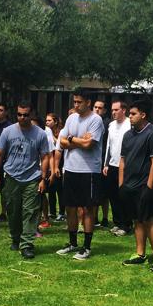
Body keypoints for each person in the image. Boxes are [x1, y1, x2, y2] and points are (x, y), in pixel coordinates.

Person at [0, 101, 50, 259]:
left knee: (30, 211)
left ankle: (27, 244)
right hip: (12, 177)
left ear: (31, 115)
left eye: (25, 115)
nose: (22, 117)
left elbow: (45, 157)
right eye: (19, 114)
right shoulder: (7, 132)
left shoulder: (40, 134)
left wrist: (43, 178)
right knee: (13, 211)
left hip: (32, 178)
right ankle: (16, 237)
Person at [57, 89, 105, 261]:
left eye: (79, 102)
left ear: (88, 102)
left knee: (87, 209)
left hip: (89, 170)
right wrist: (77, 139)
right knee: (70, 207)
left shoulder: (96, 120)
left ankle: (86, 246)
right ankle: (72, 243)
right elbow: (61, 141)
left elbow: (88, 145)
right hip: (70, 169)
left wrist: (71, 139)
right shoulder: (71, 118)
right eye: (75, 102)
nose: (76, 105)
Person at [118, 100, 153, 271]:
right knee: (137, 220)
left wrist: (149, 187)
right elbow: (122, 161)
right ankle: (140, 254)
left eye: (133, 114)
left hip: (145, 186)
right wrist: (121, 185)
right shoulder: (127, 135)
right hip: (129, 185)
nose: (129, 117)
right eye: (129, 114)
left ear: (143, 115)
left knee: (149, 220)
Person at [103, 99, 132, 236]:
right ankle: (117, 222)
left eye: (116, 110)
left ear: (124, 110)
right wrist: (106, 164)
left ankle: (126, 224)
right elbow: (109, 145)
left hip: (125, 165)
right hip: (112, 165)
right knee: (113, 195)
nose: (113, 112)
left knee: (123, 195)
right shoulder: (111, 125)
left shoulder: (129, 124)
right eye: (112, 110)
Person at [40, 113, 63, 229]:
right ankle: (51, 212)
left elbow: (53, 151)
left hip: (54, 163)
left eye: (49, 120)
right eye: (46, 120)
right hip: (45, 164)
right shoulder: (47, 131)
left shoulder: (50, 132)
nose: (47, 122)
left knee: (57, 189)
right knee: (48, 192)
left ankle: (59, 213)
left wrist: (54, 169)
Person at [92, 99, 110, 228]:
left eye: (100, 108)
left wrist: (106, 163)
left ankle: (105, 218)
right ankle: (94, 218)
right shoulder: (91, 121)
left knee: (104, 193)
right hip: (92, 161)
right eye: (95, 107)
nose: (97, 109)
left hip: (103, 161)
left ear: (104, 110)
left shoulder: (108, 124)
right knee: (94, 191)